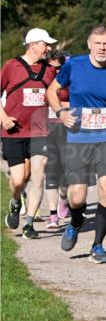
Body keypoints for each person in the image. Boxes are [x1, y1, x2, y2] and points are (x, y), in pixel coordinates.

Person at [45, 24, 106, 264]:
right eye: (97, 43)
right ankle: (76, 222)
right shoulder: (73, 65)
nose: (102, 48)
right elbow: (51, 91)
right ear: (89, 45)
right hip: (78, 138)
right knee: (77, 197)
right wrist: (60, 113)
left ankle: (98, 246)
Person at [1, 28, 58, 238]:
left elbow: (57, 96)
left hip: (39, 131)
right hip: (14, 130)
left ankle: (29, 223)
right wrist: (4, 118)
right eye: (46, 44)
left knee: (38, 175)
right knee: (19, 179)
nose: (49, 48)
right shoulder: (12, 66)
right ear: (33, 44)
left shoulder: (50, 70)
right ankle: (16, 202)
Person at [44, 49, 71, 230]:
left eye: (58, 65)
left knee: (64, 172)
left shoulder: (69, 75)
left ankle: (64, 199)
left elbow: (75, 101)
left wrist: (60, 106)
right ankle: (53, 215)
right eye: (51, 65)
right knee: (50, 171)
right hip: (45, 127)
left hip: (66, 127)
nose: (54, 69)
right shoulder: (43, 75)